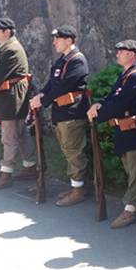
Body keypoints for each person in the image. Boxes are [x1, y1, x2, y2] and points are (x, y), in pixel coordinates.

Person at [87, 40, 136, 228]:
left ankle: (130, 209)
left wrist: (99, 114)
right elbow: (112, 97)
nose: (117, 54)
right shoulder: (126, 75)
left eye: (122, 52)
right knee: (132, 170)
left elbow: (120, 104)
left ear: (132, 55)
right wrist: (99, 104)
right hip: (125, 131)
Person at [29, 25, 90, 207]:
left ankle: (78, 189)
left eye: (58, 38)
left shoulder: (77, 61)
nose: (54, 42)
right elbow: (52, 83)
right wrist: (41, 95)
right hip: (60, 112)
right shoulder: (62, 61)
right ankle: (75, 186)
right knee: (67, 149)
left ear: (69, 40)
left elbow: (64, 86)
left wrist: (44, 100)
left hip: (72, 111)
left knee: (74, 151)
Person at [0, 18, 37, 189]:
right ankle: (30, 166)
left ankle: (6, 173)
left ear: (7, 32)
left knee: (9, 137)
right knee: (20, 133)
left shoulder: (11, 49)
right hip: (9, 97)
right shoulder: (5, 48)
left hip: (12, 97)